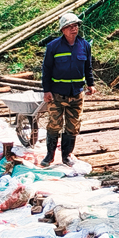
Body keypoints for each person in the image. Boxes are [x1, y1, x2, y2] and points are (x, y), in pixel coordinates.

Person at [40, 13, 95, 167]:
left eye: (76, 25)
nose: (74, 29)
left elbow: (88, 68)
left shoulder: (84, 46)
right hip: (57, 94)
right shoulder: (53, 47)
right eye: (70, 26)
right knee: (54, 124)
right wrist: (47, 91)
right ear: (63, 29)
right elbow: (47, 70)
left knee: (73, 125)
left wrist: (90, 84)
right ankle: (49, 155)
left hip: (76, 93)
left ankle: (67, 155)